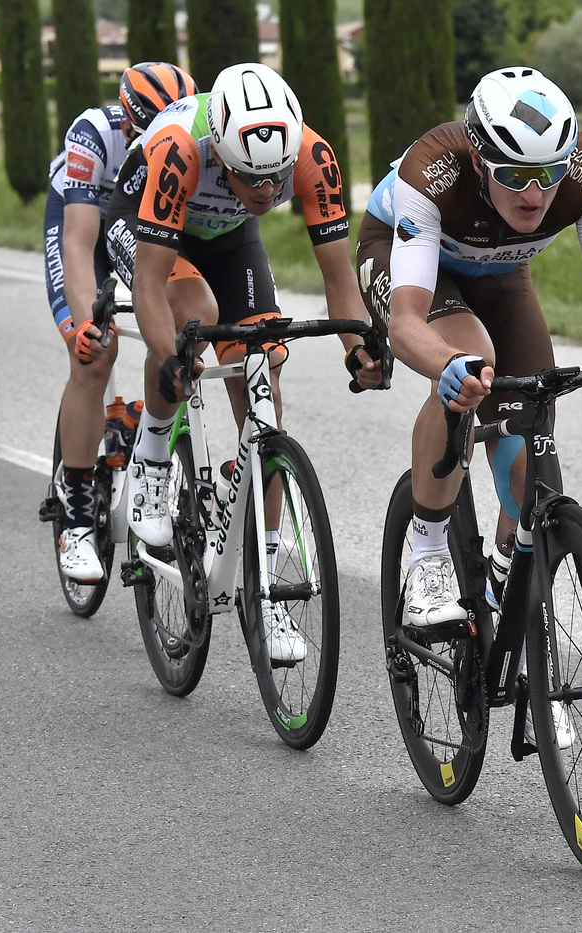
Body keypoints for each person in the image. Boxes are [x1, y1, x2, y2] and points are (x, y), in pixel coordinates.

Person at [356, 67, 582, 742]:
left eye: (547, 173)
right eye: (513, 174)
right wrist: (446, 368)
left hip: (501, 274)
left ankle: (512, 611)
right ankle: (426, 551)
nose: (535, 191)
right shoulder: (434, 171)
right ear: (479, 156)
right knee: (469, 360)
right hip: (410, 271)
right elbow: (407, 323)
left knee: (530, 447)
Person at [103, 61, 386, 662]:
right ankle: (152, 460)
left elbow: (339, 278)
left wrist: (357, 345)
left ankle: (270, 589)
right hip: (147, 224)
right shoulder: (182, 150)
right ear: (218, 150)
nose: (265, 193)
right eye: (248, 178)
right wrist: (167, 359)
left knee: (262, 365)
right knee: (192, 320)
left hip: (228, 237)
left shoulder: (314, 156)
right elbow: (151, 285)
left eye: (274, 180)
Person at [46, 61, 198, 583]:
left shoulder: (188, 143)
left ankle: (141, 430)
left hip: (145, 223)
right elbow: (79, 243)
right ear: (133, 126)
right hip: (83, 223)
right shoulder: (94, 134)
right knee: (95, 352)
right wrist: (86, 323)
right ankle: (78, 516)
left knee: (180, 327)